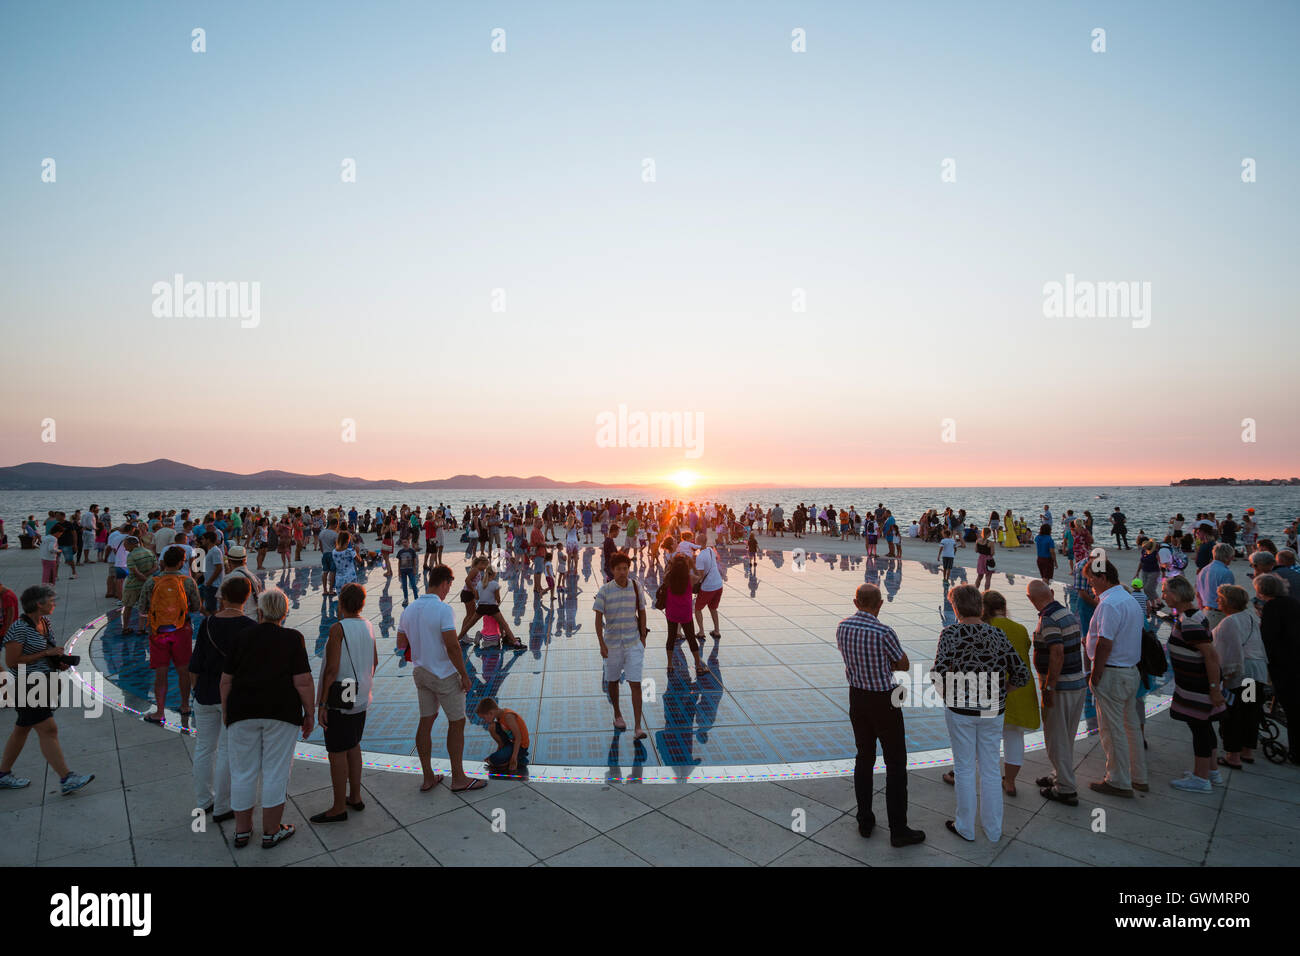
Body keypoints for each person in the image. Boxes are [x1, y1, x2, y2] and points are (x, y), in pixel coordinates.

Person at [932, 585, 1030, 842]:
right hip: (992, 708)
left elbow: (939, 673)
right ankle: (993, 829)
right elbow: (1021, 674)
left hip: (960, 708)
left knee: (964, 768)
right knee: (989, 767)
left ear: (955, 608)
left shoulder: (950, 634)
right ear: (981, 607)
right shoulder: (997, 635)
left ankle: (965, 826)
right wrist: (1002, 691)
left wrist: (950, 694)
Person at [222, 586, 314, 848]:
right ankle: (271, 830)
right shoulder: (293, 639)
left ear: (260, 611)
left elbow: (226, 681)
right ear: (284, 613)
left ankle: (242, 830)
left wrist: (228, 711)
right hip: (281, 712)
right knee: (276, 771)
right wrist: (310, 713)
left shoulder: (240, 638)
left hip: (243, 710)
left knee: (242, 771)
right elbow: (303, 682)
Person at [835, 583, 924, 847]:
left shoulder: (843, 627)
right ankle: (898, 828)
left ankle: (864, 819)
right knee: (895, 763)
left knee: (864, 757)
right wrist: (891, 663)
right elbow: (903, 664)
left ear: (855, 602)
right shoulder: (884, 631)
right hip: (884, 700)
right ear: (880, 604)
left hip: (857, 697)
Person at [397, 564, 483, 793]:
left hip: (421, 673)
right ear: (444, 583)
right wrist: (464, 675)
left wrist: (422, 644)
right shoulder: (443, 609)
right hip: (443, 675)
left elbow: (401, 645)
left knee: (426, 721)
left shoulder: (409, 609)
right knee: (457, 722)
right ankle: (458, 778)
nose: (447, 591)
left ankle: (428, 777)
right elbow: (453, 647)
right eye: (448, 586)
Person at [0, 586, 95, 794]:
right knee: (48, 729)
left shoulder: (44, 622)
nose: (54, 604)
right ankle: (66, 778)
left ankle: (3, 774)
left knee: (22, 729)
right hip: (27, 685)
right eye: (51, 601)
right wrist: (45, 653)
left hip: (43, 683)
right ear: (38, 604)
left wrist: (57, 661)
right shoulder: (19, 629)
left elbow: (45, 651)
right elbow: (12, 662)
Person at [188, 576, 255, 822]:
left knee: (204, 748)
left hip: (205, 692)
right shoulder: (251, 627)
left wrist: (196, 691)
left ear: (223, 596)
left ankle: (204, 800)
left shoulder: (207, 624)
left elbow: (195, 663)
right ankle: (223, 806)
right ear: (246, 598)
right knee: (227, 750)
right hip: (233, 697)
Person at [311, 582, 378, 823]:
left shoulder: (338, 629)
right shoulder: (368, 626)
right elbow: (375, 661)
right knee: (353, 745)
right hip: (360, 695)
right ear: (361, 604)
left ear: (341, 604)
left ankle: (338, 807)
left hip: (341, 696)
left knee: (337, 751)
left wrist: (322, 704)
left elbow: (331, 669)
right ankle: (355, 796)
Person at [1081, 558, 1148, 797]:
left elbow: (1105, 642)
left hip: (1112, 672)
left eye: (1090, 580)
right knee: (1131, 726)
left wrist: (1096, 672)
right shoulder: (1128, 599)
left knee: (1112, 729)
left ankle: (1118, 779)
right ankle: (1138, 776)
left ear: (1102, 577)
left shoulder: (1109, 604)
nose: (1090, 585)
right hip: (1130, 671)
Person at [1161, 575, 1227, 791]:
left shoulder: (1189, 622)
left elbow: (1211, 656)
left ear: (1177, 594)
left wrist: (1214, 689)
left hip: (1198, 686)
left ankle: (1200, 779)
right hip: (1196, 684)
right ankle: (1211, 771)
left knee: (1199, 728)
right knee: (1205, 727)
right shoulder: (1192, 615)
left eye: (1166, 591)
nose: (1163, 596)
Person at [982, 591, 1039, 796]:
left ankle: (961, 773)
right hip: (1021, 688)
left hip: (996, 688)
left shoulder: (986, 628)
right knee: (1015, 736)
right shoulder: (1020, 628)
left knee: (984, 737)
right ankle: (1010, 782)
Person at [139, 546, 202, 727]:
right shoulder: (188, 582)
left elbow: (142, 609)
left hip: (158, 633)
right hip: (181, 630)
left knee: (161, 672)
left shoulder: (152, 582)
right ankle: (184, 706)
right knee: (183, 670)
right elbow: (196, 607)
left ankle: (159, 711)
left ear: (163, 562)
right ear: (182, 562)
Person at [594, 552, 649, 738]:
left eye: (625, 568)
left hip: (633, 643)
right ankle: (617, 713)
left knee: (636, 683)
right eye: (618, 569)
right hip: (612, 644)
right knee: (613, 681)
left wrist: (643, 639)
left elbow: (642, 611)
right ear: (612, 570)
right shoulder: (605, 590)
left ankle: (638, 727)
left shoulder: (636, 587)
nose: (622, 572)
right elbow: (598, 618)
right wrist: (602, 643)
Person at [1213, 584, 1265, 768]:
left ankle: (1232, 756)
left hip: (1240, 676)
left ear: (1229, 602)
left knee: (1234, 715)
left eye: (1220, 598)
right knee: (1250, 711)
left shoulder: (1229, 622)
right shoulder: (1250, 616)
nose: (1217, 600)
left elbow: (1230, 653)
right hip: (1254, 674)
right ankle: (1247, 750)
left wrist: (1225, 677)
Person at [1254, 573, 1300, 764]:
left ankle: (1297, 753)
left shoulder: (1272, 607)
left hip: (1285, 666)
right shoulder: (1292, 603)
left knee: (1293, 710)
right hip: (1295, 661)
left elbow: (1268, 640)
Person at [661, 553, 706, 677]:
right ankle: (697, 665)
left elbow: (665, 574)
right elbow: (699, 577)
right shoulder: (690, 578)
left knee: (671, 638)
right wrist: (692, 564)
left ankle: (670, 664)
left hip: (672, 613)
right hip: (685, 614)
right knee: (691, 638)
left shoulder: (668, 577)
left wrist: (670, 565)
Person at [477, 697, 530, 772]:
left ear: (491, 713)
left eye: (484, 718)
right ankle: (518, 757)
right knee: (492, 727)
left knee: (494, 760)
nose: (484, 721)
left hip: (521, 746)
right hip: (511, 743)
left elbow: (518, 737)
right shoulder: (499, 717)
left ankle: (518, 758)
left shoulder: (508, 717)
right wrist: (498, 753)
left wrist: (513, 758)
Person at [1196, 543, 1235, 629]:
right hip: (1219, 613)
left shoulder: (1203, 570)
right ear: (1227, 556)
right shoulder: (1226, 573)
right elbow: (1227, 597)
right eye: (1231, 556)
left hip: (1205, 611)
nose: (1232, 559)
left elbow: (1198, 594)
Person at [693, 535, 724, 639]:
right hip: (719, 584)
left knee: (697, 609)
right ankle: (717, 630)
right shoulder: (711, 550)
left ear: (698, 543)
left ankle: (701, 632)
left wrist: (692, 581)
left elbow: (700, 575)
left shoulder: (700, 557)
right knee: (713, 608)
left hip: (708, 587)